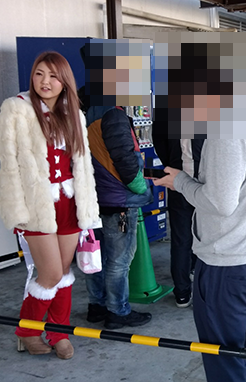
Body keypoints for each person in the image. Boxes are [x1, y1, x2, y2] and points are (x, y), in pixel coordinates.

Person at [152, 93, 246, 382]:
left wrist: (180, 182)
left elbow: (219, 202)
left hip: (227, 264)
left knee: (225, 366)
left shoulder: (227, 129)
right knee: (238, 354)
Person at [0, 52, 99, 359]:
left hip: (71, 203)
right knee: (50, 274)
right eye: (39, 74)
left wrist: (88, 208)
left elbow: (83, 165)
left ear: (65, 81)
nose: (45, 82)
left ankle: (58, 332)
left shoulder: (74, 114)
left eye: (53, 75)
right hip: (36, 206)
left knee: (64, 272)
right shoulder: (16, 109)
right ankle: (27, 331)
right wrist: (17, 210)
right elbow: (6, 165)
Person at [84, 103, 154, 329]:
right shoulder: (112, 114)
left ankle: (97, 306)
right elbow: (125, 158)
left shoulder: (84, 113)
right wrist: (141, 187)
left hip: (92, 199)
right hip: (118, 201)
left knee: (96, 256)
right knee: (119, 261)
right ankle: (118, 311)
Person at [152, 133, 204, 308]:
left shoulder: (170, 116)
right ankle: (200, 284)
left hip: (177, 182)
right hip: (203, 185)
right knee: (205, 236)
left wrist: (173, 165)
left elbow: (159, 141)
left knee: (181, 240)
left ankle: (182, 293)